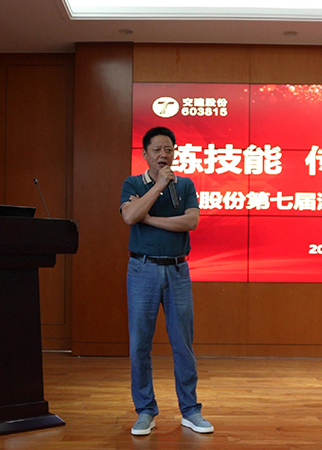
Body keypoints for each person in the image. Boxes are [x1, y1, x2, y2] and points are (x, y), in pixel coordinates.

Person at [119, 126, 213, 436]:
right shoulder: (133, 183)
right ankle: (145, 410)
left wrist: (148, 218)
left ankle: (190, 410)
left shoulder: (185, 184)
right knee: (140, 344)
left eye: (169, 149)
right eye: (157, 149)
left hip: (177, 271)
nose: (164, 155)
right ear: (145, 153)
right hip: (142, 269)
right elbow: (129, 216)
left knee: (182, 343)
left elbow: (191, 221)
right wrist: (158, 186)